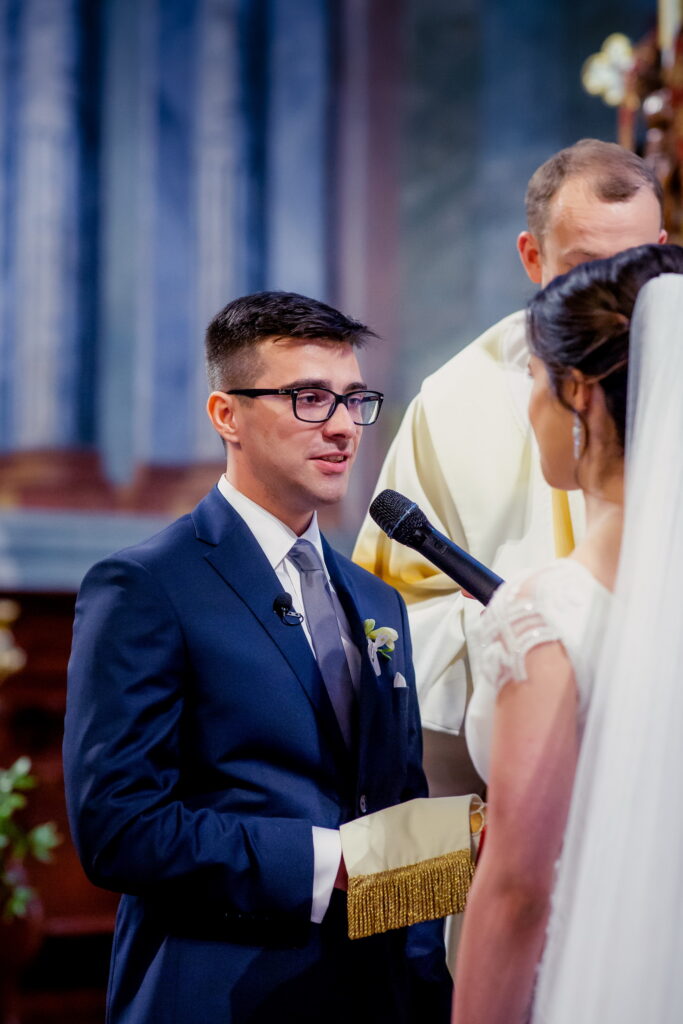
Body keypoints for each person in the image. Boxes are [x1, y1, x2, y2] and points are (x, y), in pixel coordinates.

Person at [63, 292, 452, 1024]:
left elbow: (397, 810)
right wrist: (327, 862)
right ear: (226, 415)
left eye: (354, 399)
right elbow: (119, 829)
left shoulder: (376, 600)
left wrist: (429, 985)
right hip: (220, 993)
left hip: (376, 996)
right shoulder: (147, 585)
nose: (342, 426)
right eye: (309, 398)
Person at [353, 140, 667, 798]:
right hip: (514, 758)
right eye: (585, 268)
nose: (613, 301)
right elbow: (386, 622)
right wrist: (518, 626)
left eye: (635, 267)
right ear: (532, 257)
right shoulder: (454, 403)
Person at [451, 242, 683, 1023]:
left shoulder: (547, 612)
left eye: (533, 379)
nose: (530, 407)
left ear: (578, 394)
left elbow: (518, 891)